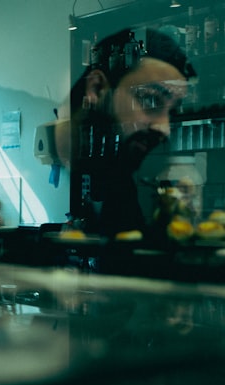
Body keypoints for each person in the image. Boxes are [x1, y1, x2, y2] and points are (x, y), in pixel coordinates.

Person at [55, 28, 197, 240]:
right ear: (97, 89)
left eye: (172, 111)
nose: (164, 128)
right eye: (151, 100)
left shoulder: (124, 177)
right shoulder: (102, 169)